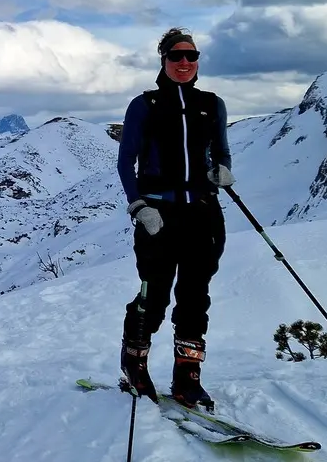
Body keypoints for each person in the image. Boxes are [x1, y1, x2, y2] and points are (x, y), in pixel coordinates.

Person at [116, 27, 234, 411]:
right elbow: (125, 161)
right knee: (155, 295)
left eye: (191, 56)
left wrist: (222, 171)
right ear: (163, 61)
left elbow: (221, 152)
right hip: (158, 214)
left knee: (195, 296)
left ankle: (187, 378)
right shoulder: (145, 105)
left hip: (202, 211)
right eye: (176, 57)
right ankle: (135, 362)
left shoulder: (212, 104)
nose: (185, 63)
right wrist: (139, 206)